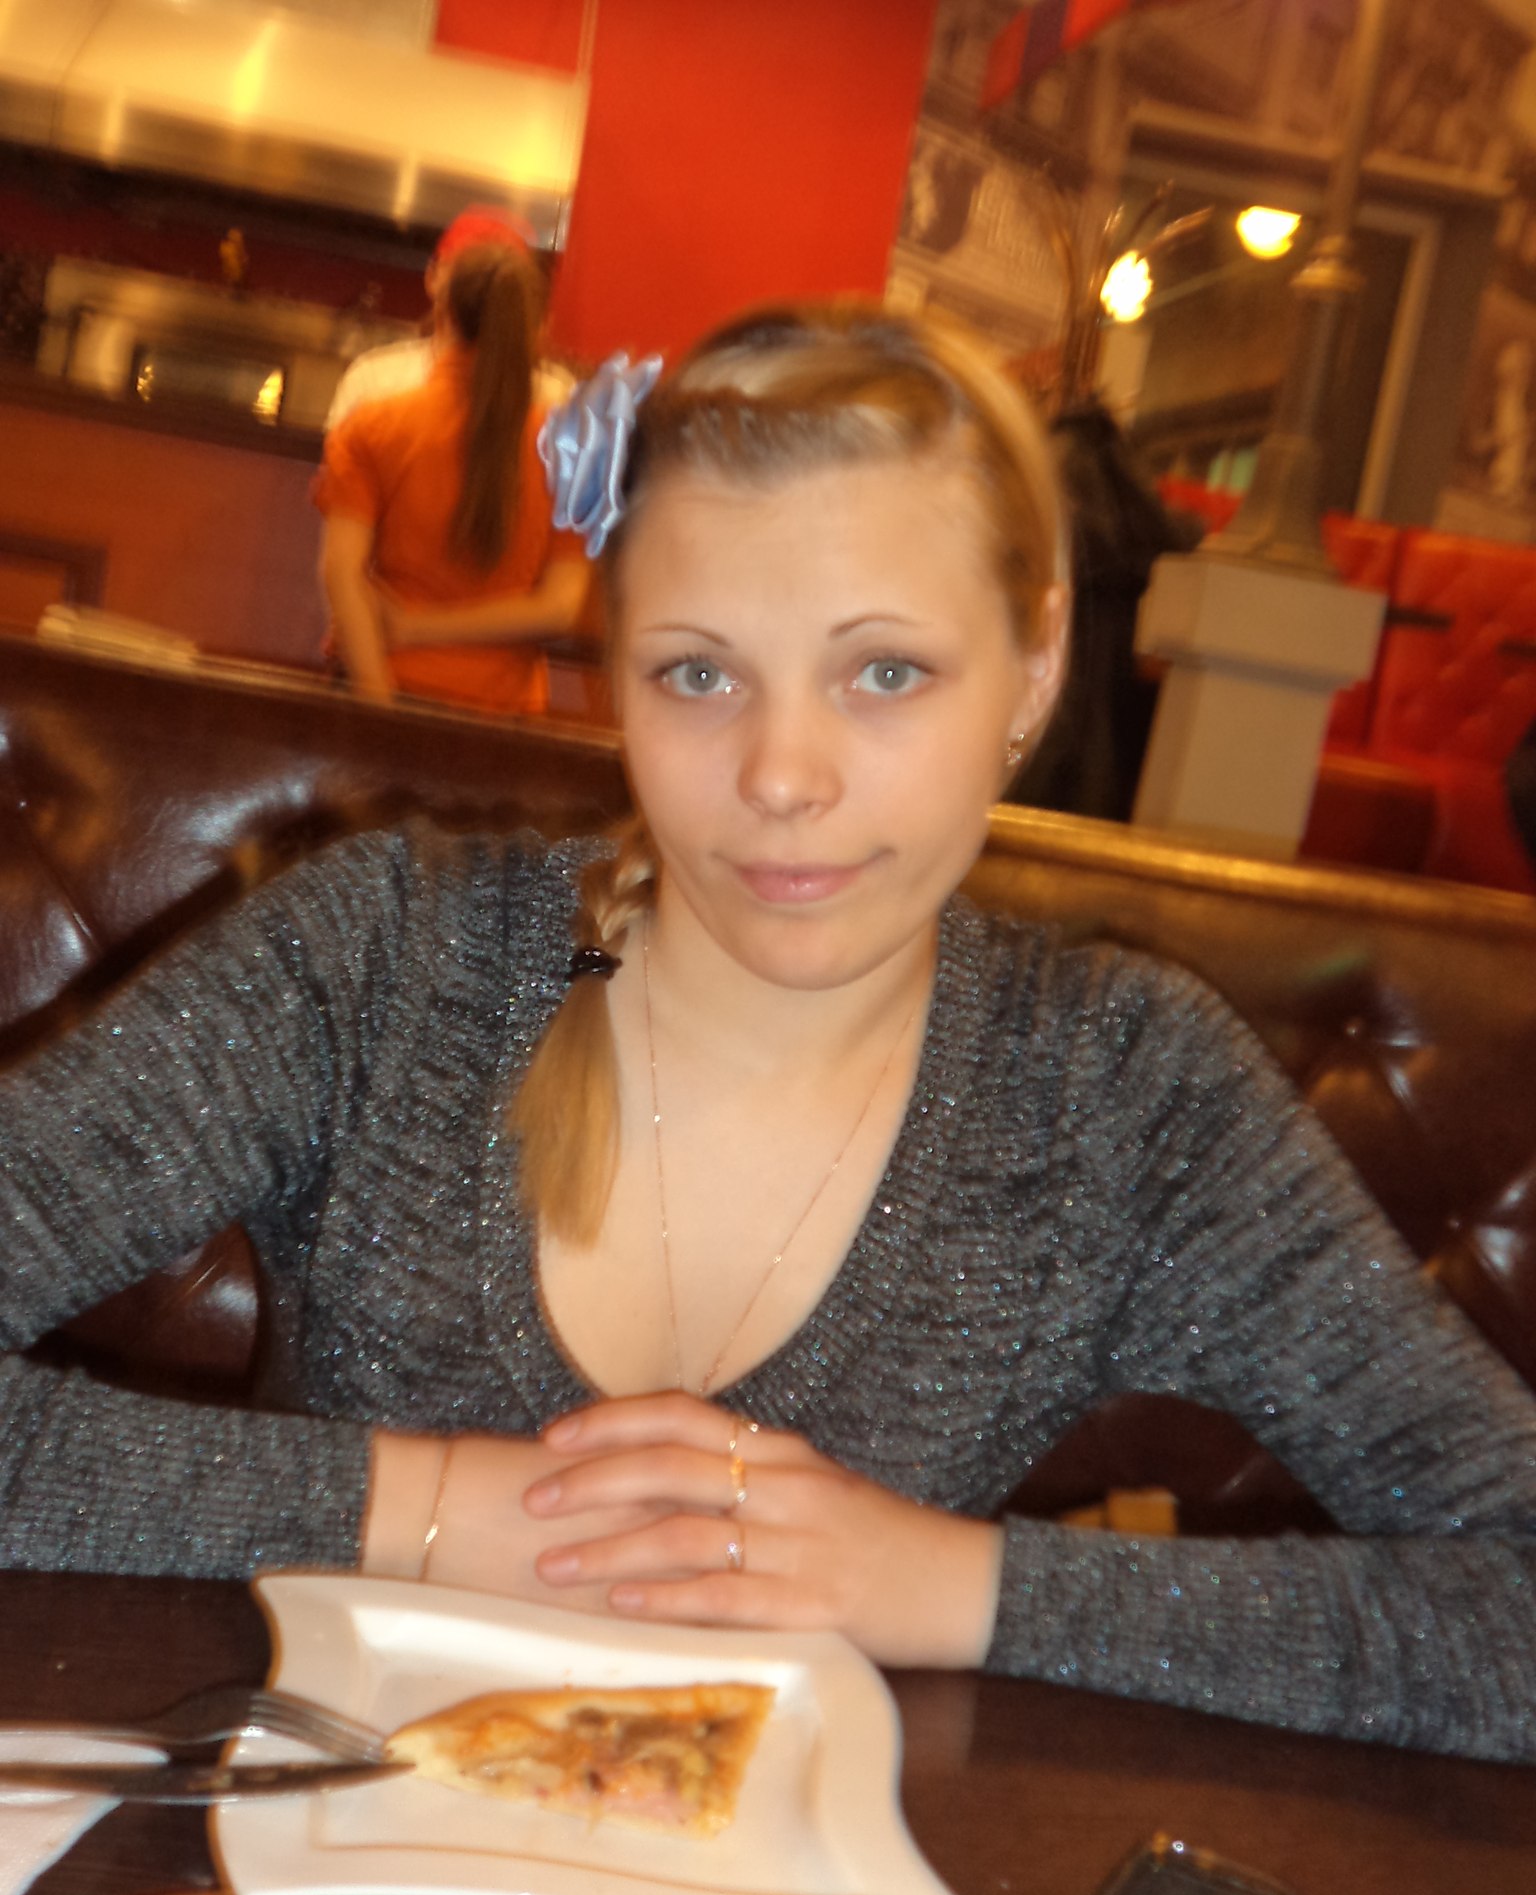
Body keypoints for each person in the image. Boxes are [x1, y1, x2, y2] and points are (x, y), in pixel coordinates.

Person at [3, 299, 1535, 1763]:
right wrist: (431, 1507)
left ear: (1038, 664)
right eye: (699, 674)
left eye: (886, 673)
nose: (783, 775)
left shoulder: (1121, 1093)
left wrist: (942, 1584)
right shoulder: (386, 960)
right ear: (616, 667)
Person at [316, 236, 590, 716]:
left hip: (386, 683)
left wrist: (377, 701)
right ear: (537, 329)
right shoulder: (572, 451)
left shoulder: (373, 426)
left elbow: (340, 572)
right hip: (501, 711)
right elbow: (560, 607)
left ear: (443, 313)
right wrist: (419, 626)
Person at [325, 208, 573, 431]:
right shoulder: (374, 379)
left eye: (495, 282)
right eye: (463, 273)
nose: (477, 290)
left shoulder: (555, 396)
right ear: (431, 277)